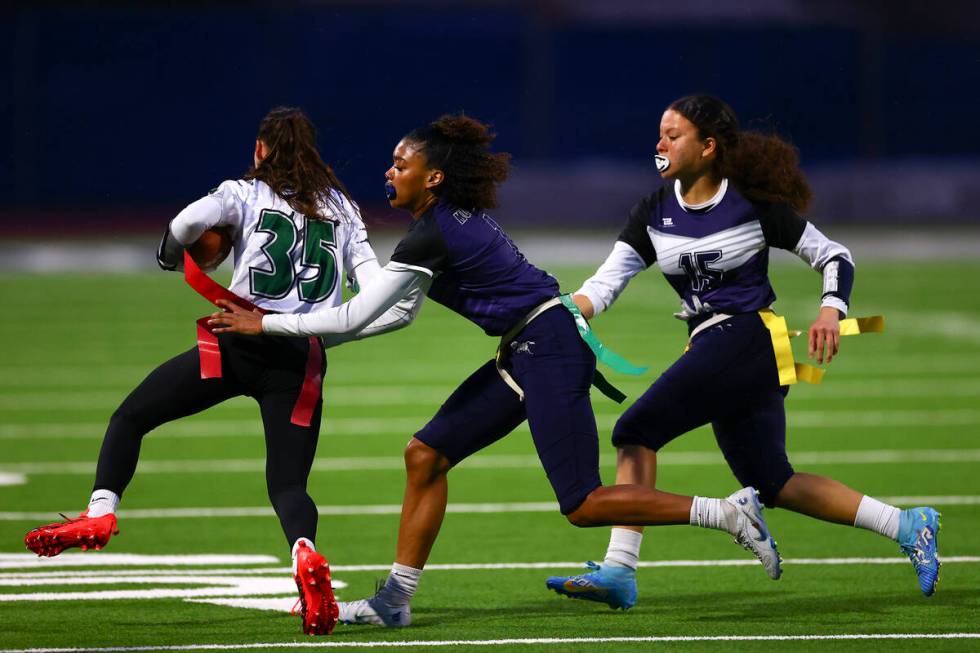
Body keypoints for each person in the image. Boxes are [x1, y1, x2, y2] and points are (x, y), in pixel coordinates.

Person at [209, 113, 785, 628]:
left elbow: (357, 312)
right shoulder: (443, 224)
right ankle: (395, 600)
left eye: (400, 164)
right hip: (530, 345)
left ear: (433, 178)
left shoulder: (433, 232)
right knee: (425, 455)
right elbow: (396, 314)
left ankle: (729, 513)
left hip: (548, 346)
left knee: (582, 503)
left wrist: (270, 327)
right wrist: (325, 337)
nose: (389, 173)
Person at [22, 107, 421, 635]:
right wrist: (325, 326)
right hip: (298, 356)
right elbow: (374, 296)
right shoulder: (344, 210)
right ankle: (304, 552)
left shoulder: (245, 191)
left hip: (235, 344)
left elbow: (186, 224)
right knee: (287, 485)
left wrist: (171, 256)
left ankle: (100, 507)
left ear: (261, 150)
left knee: (132, 417)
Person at [543, 95, 942, 610]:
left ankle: (620, 568)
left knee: (634, 432)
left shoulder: (750, 204)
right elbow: (603, 285)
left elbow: (834, 255)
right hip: (737, 349)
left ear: (708, 147)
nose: (660, 144)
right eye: (660, 134)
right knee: (773, 481)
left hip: (747, 338)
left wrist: (830, 310)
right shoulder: (653, 211)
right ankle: (908, 524)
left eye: (673, 134)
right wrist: (561, 313)